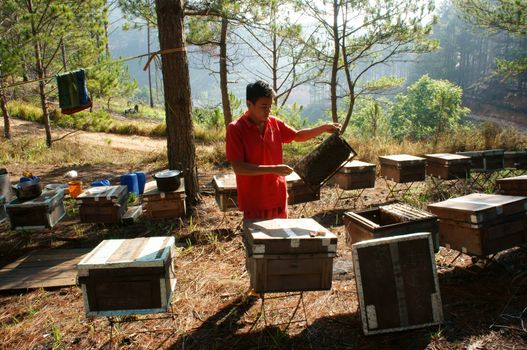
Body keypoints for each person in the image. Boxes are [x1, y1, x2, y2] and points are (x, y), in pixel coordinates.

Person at [226, 80, 340, 221]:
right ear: (249, 104)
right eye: (264, 107)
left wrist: (323, 127)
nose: (268, 111)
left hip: (278, 198)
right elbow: (238, 168)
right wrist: (274, 169)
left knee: (281, 241)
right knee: (258, 242)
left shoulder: (274, 123)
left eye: (270, 107)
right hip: (254, 202)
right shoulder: (236, 128)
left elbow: (297, 135)